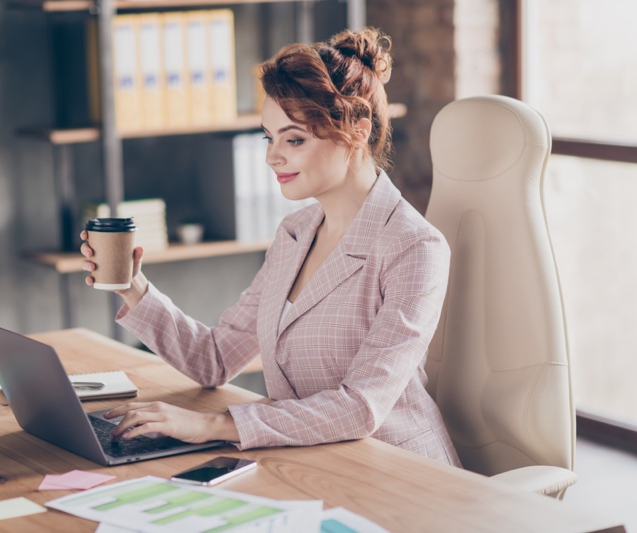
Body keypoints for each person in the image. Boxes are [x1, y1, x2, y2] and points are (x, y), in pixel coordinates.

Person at [80, 27, 461, 466]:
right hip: (311, 465)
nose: (271, 157)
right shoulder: (295, 234)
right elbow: (215, 359)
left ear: (357, 133)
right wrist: (133, 286)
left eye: (293, 139)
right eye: (269, 136)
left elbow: (361, 408)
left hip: (401, 473)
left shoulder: (414, 247)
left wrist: (212, 425)